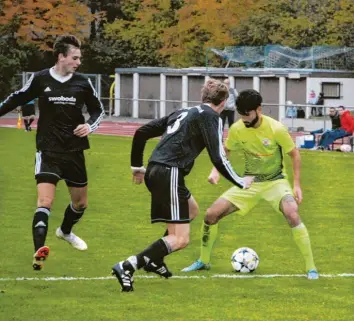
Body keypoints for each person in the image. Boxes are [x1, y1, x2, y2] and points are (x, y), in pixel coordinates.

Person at [111, 79, 254, 292]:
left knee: (192, 210)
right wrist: (240, 181)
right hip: (169, 172)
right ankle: (129, 265)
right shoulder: (211, 117)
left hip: (158, 170)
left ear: (204, 97)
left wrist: (136, 166)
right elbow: (218, 157)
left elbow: (141, 132)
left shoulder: (182, 112)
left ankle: (155, 260)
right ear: (223, 102)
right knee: (181, 239)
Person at [182, 89, 319, 280]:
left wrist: (296, 185)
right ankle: (204, 261)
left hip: (275, 182)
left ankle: (311, 268)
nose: (245, 118)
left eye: (248, 114)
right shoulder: (238, 129)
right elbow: (226, 150)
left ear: (259, 109)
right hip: (249, 182)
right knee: (211, 215)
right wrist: (215, 172)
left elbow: (294, 154)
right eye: (241, 114)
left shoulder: (276, 129)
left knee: (292, 212)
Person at [0, 35, 105, 271]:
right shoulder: (41, 79)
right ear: (61, 57)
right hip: (48, 150)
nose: (78, 62)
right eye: (74, 58)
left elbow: (98, 109)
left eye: (79, 58)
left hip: (75, 151)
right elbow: (17, 97)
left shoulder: (83, 82)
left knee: (80, 203)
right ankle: (38, 254)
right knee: (44, 201)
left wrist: (89, 125)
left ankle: (65, 231)